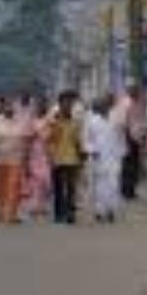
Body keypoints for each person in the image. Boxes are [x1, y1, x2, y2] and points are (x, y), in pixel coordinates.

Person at [0, 97, 28, 225]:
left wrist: (26, 157)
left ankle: (11, 215)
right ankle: (0, 210)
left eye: (11, 107)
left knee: (14, 186)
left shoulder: (20, 122)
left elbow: (25, 140)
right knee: (0, 187)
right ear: (2, 108)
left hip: (15, 159)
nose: (9, 109)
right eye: (6, 107)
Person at [84, 93, 126, 223]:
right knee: (100, 185)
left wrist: (122, 152)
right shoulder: (92, 121)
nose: (104, 106)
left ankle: (110, 210)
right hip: (99, 157)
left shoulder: (115, 118)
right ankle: (100, 211)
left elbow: (121, 136)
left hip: (114, 156)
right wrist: (92, 150)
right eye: (101, 104)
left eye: (106, 104)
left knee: (114, 183)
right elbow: (86, 139)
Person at [46, 91, 84, 225]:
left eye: (70, 103)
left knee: (71, 187)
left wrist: (81, 156)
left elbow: (78, 140)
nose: (68, 105)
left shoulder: (75, 122)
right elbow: (49, 140)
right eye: (65, 102)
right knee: (58, 188)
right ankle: (58, 213)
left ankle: (70, 213)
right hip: (57, 158)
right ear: (60, 104)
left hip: (72, 158)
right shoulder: (53, 121)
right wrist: (50, 157)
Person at [118, 80, 147, 200]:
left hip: (137, 137)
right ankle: (126, 190)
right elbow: (123, 122)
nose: (135, 91)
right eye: (132, 89)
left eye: (136, 89)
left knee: (135, 165)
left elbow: (142, 119)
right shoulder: (125, 103)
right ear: (128, 90)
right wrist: (126, 137)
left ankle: (131, 189)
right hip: (127, 137)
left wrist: (143, 135)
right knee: (127, 165)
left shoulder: (140, 102)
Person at [23, 97, 53, 219]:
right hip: (35, 153)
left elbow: (52, 136)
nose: (41, 108)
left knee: (47, 180)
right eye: (39, 106)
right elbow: (27, 138)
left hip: (47, 153)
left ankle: (43, 206)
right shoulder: (32, 122)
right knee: (36, 181)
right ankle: (35, 207)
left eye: (43, 106)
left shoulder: (49, 121)